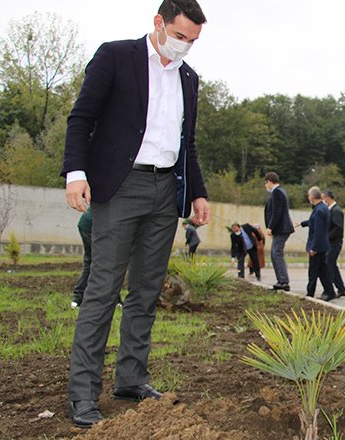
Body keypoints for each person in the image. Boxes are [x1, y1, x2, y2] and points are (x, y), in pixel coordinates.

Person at [60, 0, 210, 428]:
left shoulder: (189, 79)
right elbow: (81, 117)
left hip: (166, 191)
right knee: (103, 289)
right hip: (120, 186)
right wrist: (75, 173)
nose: (185, 47)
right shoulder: (115, 56)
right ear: (159, 23)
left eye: (193, 41)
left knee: (145, 292)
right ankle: (83, 394)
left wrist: (197, 193)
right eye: (180, 36)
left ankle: (131, 379)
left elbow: (188, 144)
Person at [297, 186, 335, 300]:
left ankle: (310, 293)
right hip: (322, 245)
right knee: (322, 270)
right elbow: (313, 222)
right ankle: (329, 291)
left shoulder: (318, 210)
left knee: (313, 271)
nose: (308, 198)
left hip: (317, 246)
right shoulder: (322, 208)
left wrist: (313, 247)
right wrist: (301, 223)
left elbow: (318, 231)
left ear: (312, 197)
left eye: (309, 195)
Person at [264, 172, 294, 291]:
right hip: (281, 228)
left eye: (266, 183)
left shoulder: (277, 192)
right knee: (275, 254)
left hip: (281, 229)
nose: (265, 186)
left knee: (276, 253)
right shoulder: (280, 191)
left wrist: (270, 227)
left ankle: (284, 281)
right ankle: (281, 280)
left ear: (269, 182)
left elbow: (277, 211)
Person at [322, 190, 345, 297]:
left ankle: (329, 289)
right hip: (331, 242)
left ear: (328, 198)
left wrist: (326, 237)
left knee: (329, 265)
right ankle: (341, 289)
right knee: (332, 265)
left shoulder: (336, 210)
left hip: (334, 243)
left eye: (324, 198)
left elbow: (338, 228)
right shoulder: (331, 210)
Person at [71, 207, 93, 309]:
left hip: (86, 224)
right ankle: (77, 297)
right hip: (91, 226)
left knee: (91, 262)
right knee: (93, 262)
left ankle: (77, 298)